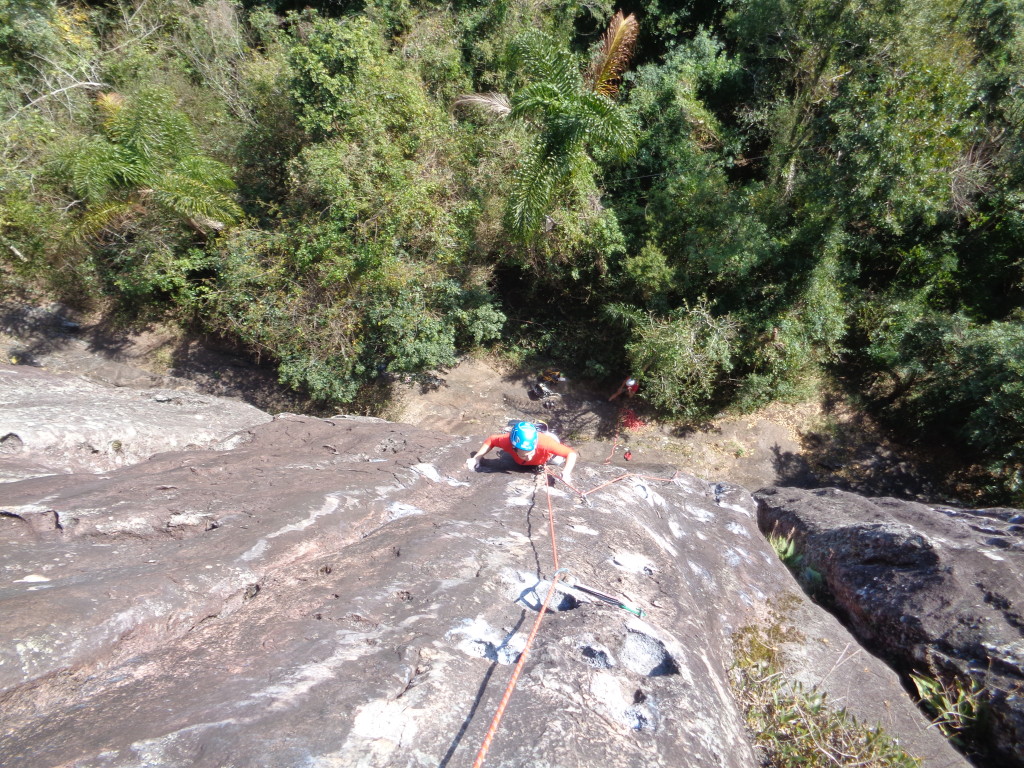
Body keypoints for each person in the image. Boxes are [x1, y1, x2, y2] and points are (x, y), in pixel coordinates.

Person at [466, 421, 578, 486]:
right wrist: (477, 458)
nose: (529, 457)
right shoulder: (507, 442)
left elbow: (571, 454)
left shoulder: (546, 444)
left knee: (557, 461)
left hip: (548, 446)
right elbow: (491, 440)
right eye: (524, 454)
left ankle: (540, 429)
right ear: (514, 448)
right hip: (522, 456)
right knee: (513, 458)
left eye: (531, 453)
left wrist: (566, 473)